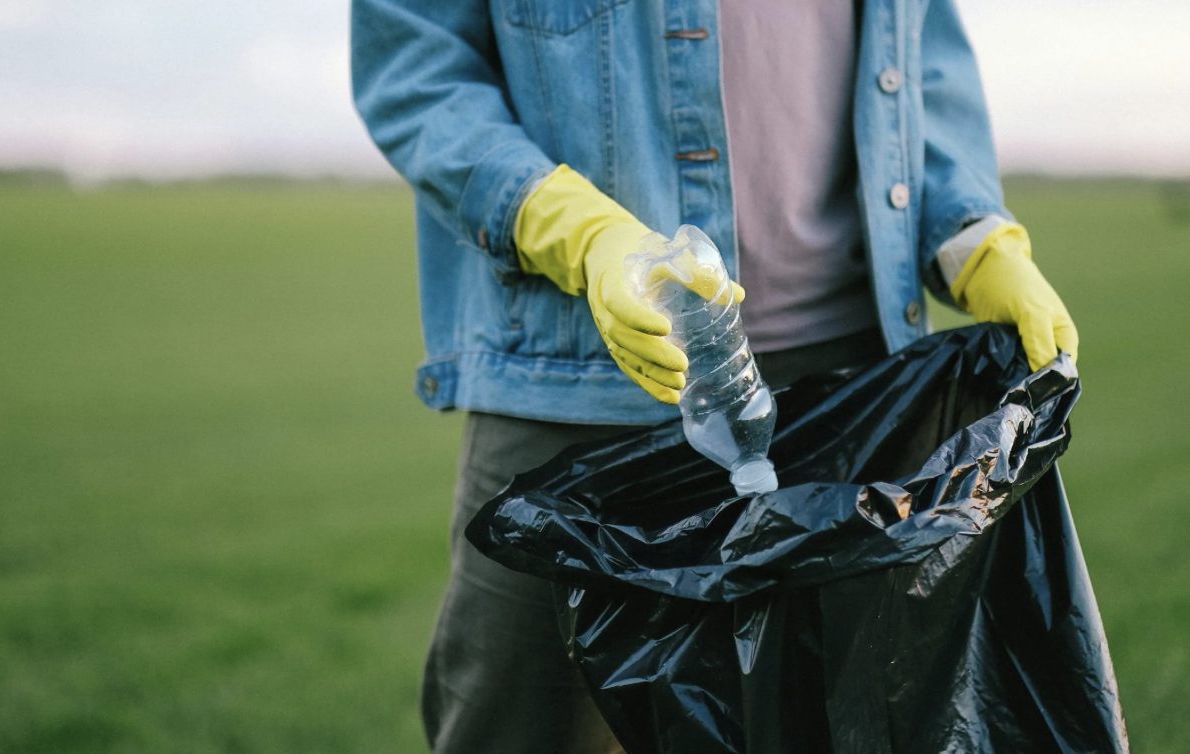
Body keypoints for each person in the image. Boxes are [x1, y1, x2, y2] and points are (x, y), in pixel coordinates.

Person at [351, 1, 1078, 752]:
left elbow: (920, 56)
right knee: (523, 729)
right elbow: (417, 70)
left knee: (843, 726)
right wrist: (581, 233)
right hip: (573, 381)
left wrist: (974, 238)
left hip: (853, 383)